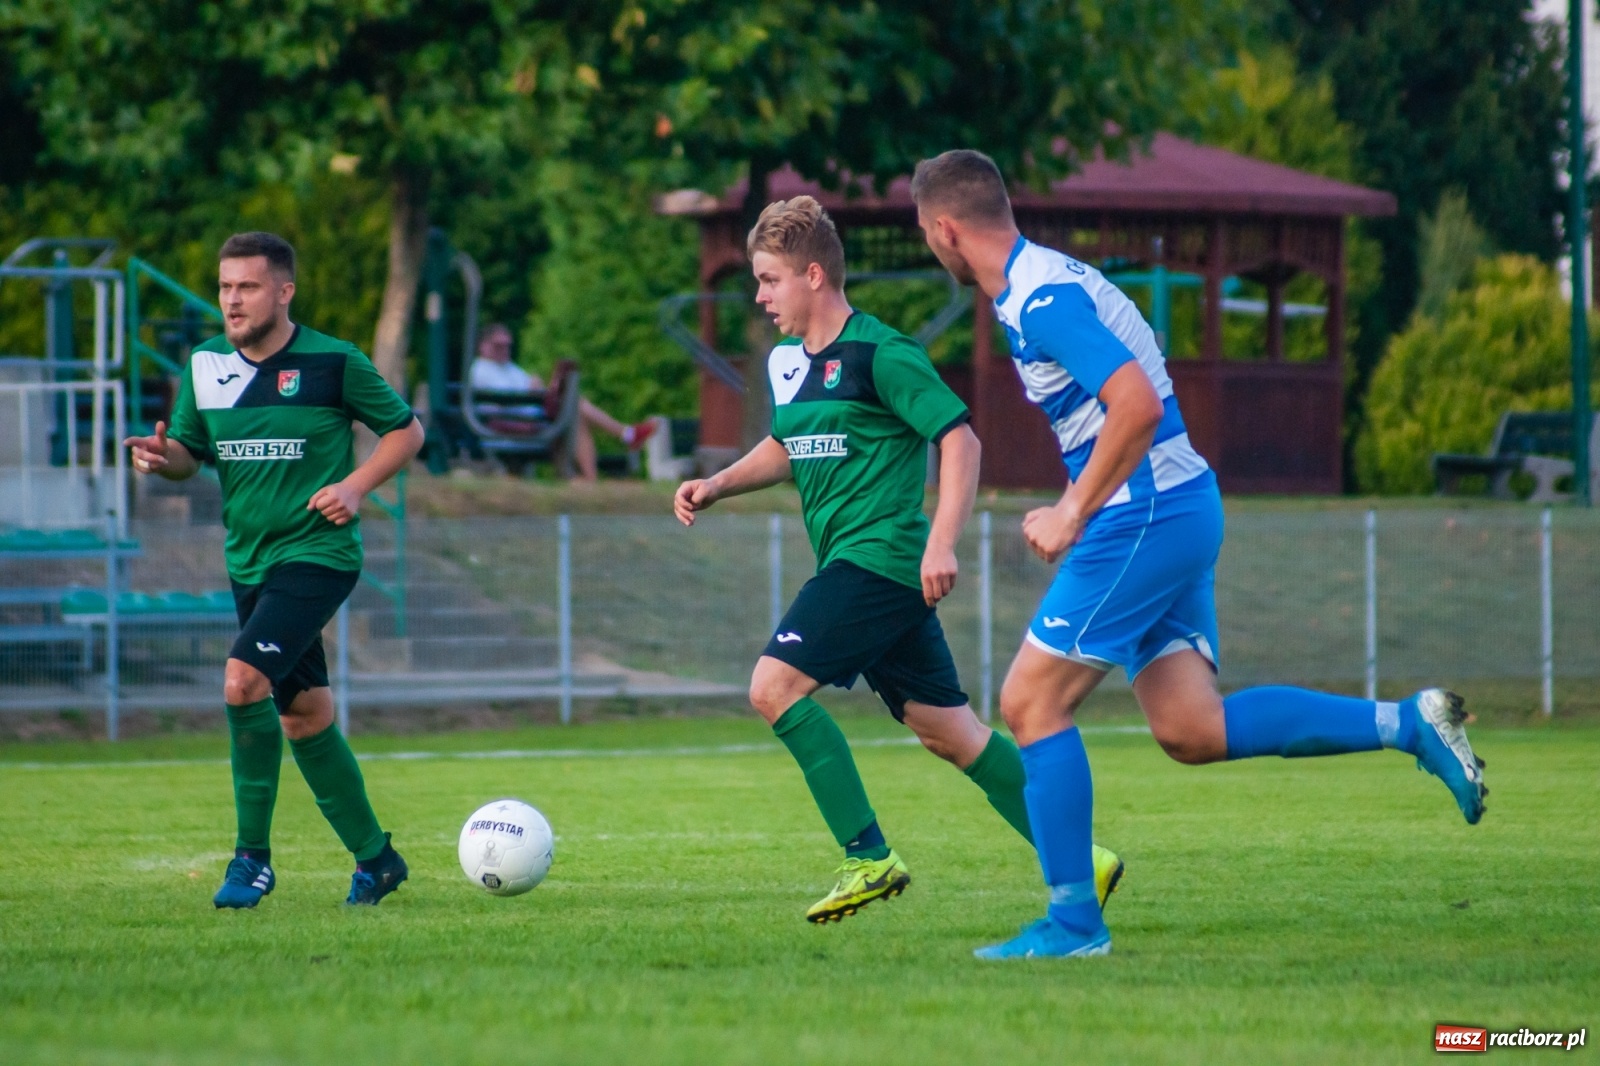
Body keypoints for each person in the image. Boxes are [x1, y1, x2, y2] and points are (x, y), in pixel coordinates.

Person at [909, 150, 1488, 960]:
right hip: (1176, 508)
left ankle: (1075, 925)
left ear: (944, 229)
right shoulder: (1037, 282)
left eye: (928, 240)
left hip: (1143, 514)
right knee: (1190, 727)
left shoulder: (1040, 298)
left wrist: (1073, 509)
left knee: (1030, 703)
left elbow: (1136, 405)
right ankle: (1408, 724)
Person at [674, 196, 1124, 924]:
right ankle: (1084, 862)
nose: (759, 298)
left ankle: (868, 858)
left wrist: (941, 540)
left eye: (769, 280)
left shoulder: (883, 354)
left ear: (813, 276)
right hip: (869, 573)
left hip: (878, 563)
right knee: (951, 733)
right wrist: (718, 483)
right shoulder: (789, 363)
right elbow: (790, 444)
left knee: (772, 687)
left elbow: (960, 441)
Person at [124, 231, 425, 909]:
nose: (232, 299)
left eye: (248, 286)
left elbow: (407, 431)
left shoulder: (334, 362)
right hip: (249, 562)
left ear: (284, 291)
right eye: (225, 286)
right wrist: (159, 455)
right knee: (305, 716)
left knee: (241, 683)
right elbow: (189, 455)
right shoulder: (203, 365)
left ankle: (252, 860)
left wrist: (355, 487)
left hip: (317, 555)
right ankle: (378, 860)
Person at [467, 323, 655, 482]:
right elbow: (509, 398)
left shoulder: (510, 368)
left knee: (574, 409)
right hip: (510, 426)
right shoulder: (482, 369)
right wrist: (534, 389)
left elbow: (528, 392)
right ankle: (622, 439)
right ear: (483, 346)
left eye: (507, 346)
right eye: (498, 346)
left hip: (529, 421)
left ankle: (598, 468)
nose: (504, 350)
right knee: (575, 408)